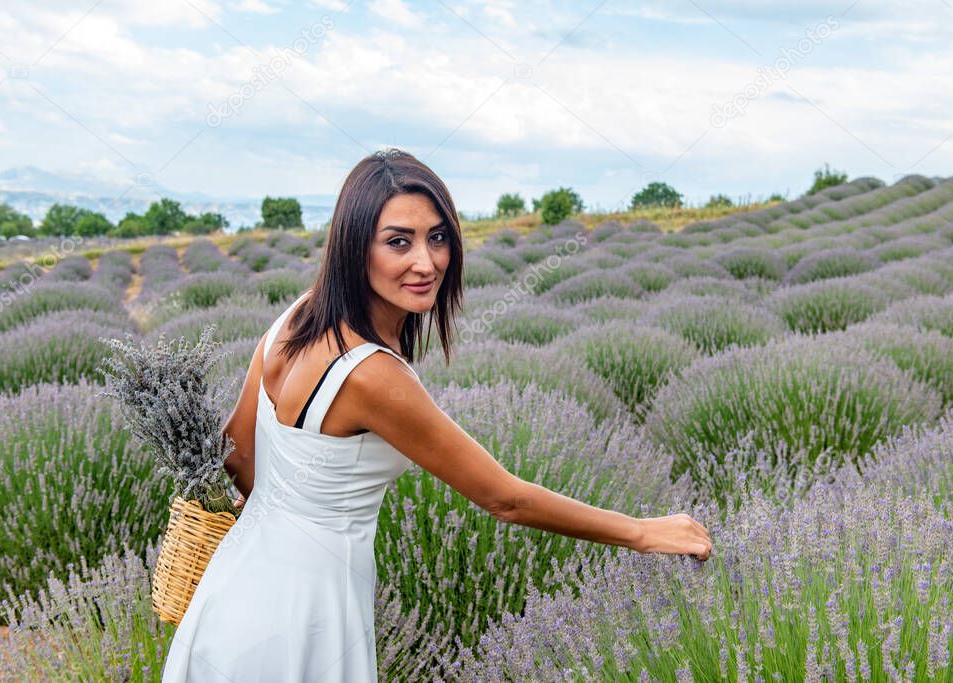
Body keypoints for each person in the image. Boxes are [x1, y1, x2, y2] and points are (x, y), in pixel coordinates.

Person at [161, 148, 712, 682]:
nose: (427, 262)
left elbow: (236, 449)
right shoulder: (370, 374)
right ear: (356, 248)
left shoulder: (297, 317)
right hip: (304, 609)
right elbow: (505, 499)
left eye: (438, 237)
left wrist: (287, 507)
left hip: (233, 588)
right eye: (398, 242)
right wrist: (642, 532)